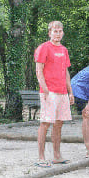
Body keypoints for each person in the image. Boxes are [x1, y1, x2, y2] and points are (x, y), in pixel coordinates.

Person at [34, 20, 73, 166]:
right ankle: (41, 158)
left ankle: (57, 156)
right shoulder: (43, 48)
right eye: (54, 31)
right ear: (49, 33)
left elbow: (66, 72)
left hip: (62, 92)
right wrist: (45, 90)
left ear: (63, 32)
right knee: (45, 123)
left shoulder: (64, 50)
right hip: (49, 92)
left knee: (58, 124)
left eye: (60, 31)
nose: (57, 34)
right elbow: (39, 71)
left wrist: (70, 92)